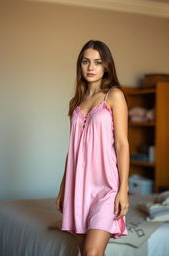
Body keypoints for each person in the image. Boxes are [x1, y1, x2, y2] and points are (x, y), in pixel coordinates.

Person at [55, 40, 130, 256]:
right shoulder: (76, 102)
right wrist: (63, 187)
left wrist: (123, 189)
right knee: (86, 252)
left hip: (106, 187)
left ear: (106, 66)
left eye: (97, 62)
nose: (91, 67)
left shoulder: (114, 96)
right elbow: (73, 150)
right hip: (78, 186)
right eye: (86, 62)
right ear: (80, 65)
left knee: (92, 252)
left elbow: (122, 144)